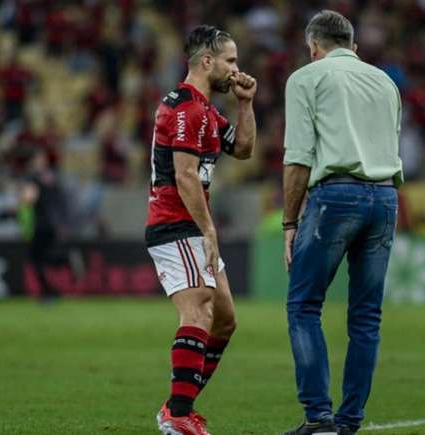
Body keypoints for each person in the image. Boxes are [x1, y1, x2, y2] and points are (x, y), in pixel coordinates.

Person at [281, 10, 403, 435]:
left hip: (335, 196)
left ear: (313, 47)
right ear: (354, 46)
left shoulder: (306, 78)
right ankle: (349, 421)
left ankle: (319, 418)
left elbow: (297, 158)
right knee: (367, 317)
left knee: (303, 305)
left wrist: (288, 224)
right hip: (386, 195)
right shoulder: (385, 82)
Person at [145, 25, 257, 435]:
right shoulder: (184, 108)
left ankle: (178, 405)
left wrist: (246, 105)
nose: (236, 69)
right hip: (176, 223)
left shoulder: (208, 111)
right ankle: (177, 415)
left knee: (225, 320)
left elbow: (243, 149)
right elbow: (185, 176)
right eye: (230, 60)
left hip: (192, 225)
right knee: (199, 308)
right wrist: (209, 231)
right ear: (207, 62)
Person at [19, 149, 68, 301]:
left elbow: (28, 200)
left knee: (36, 260)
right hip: (51, 223)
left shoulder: (32, 179)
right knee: (45, 258)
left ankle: (47, 292)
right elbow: (60, 201)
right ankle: (51, 290)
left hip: (38, 225)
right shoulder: (51, 179)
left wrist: (19, 203)